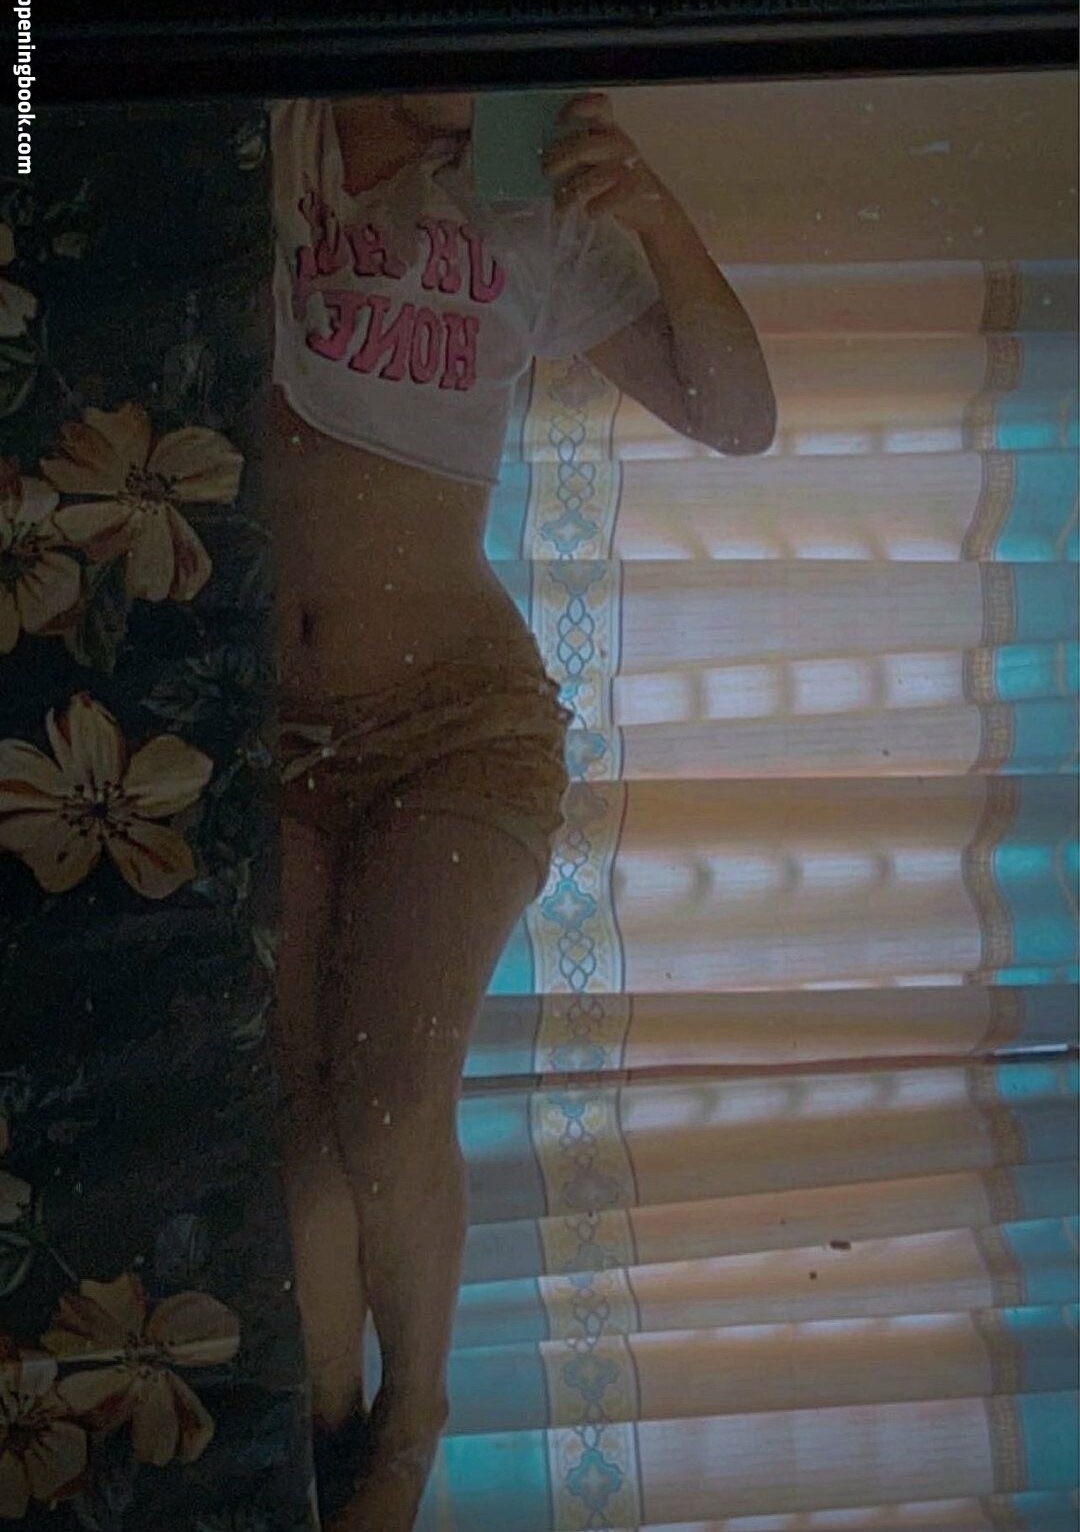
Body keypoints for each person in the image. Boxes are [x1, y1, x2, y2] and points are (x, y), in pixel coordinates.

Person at [268, 87, 775, 1532]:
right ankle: (328, 1445)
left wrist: (652, 212)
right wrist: (39, 43)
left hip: (456, 733)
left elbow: (738, 418)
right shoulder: (254, 127)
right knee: (295, 1153)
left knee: (385, 1107)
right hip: (253, 747)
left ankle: (413, 1421)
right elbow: (33, 109)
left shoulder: (527, 210)